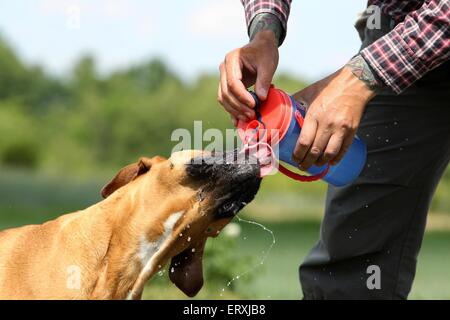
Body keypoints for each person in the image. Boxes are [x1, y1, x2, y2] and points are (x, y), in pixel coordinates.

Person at [218, 0, 450, 299]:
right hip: (402, 45)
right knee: (353, 266)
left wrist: (359, 77)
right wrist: (264, 32)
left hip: (398, 49)